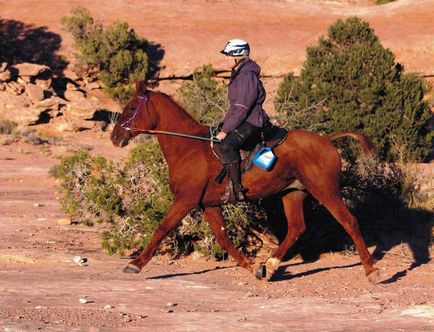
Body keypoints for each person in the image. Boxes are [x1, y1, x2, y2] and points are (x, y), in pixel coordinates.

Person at [216, 39, 269, 202]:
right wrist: (224, 125)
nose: (225, 59)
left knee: (227, 144)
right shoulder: (239, 73)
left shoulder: (246, 76)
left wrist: (226, 131)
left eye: (228, 56)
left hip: (252, 121)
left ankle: (237, 189)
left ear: (239, 56)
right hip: (244, 118)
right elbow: (235, 108)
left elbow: (241, 108)